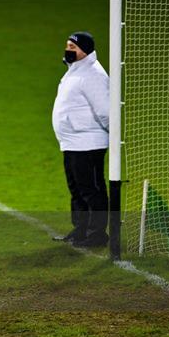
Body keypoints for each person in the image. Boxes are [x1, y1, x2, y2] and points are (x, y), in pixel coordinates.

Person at [51, 32, 110, 247]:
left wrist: (111, 137)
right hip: (73, 143)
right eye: (67, 46)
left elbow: (106, 111)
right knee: (77, 189)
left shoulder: (93, 74)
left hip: (89, 143)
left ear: (85, 50)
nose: (68, 51)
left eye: (73, 47)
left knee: (91, 190)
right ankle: (81, 230)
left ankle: (96, 235)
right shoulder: (75, 71)